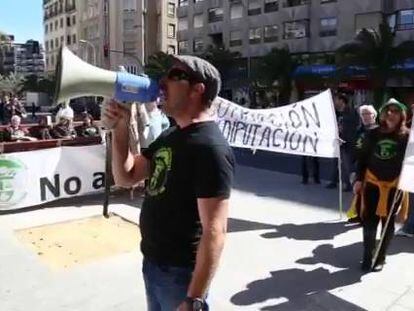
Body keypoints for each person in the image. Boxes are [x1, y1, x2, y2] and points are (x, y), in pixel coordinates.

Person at [104, 55, 235, 310]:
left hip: (181, 277)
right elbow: (126, 177)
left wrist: (194, 298)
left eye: (175, 75)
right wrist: (119, 128)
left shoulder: (210, 148)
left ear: (198, 90)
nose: (162, 81)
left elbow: (215, 231)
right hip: (153, 266)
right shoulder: (171, 135)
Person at [353, 98, 410, 272]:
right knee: (369, 222)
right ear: (383, 113)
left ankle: (380, 258)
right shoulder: (373, 133)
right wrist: (358, 179)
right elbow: (362, 158)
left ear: (402, 115)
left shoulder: (408, 136)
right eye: (388, 110)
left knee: (388, 223)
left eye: (395, 110)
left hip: (394, 187)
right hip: (372, 184)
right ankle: (367, 256)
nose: (391, 113)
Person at [347, 105, 379, 223]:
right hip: (358, 165)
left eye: (368, 114)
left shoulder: (377, 131)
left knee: (368, 194)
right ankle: (359, 215)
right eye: (363, 114)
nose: (365, 116)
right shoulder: (359, 130)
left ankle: (367, 217)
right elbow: (355, 146)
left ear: (374, 116)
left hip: (370, 166)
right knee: (359, 191)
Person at [326, 93, 358, 191]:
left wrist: (345, 139)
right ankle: (333, 181)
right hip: (336, 142)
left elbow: (351, 130)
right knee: (334, 163)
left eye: (336, 100)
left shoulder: (350, 113)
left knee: (346, 165)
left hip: (346, 142)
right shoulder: (336, 113)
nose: (335, 102)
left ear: (342, 101)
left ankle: (348, 184)